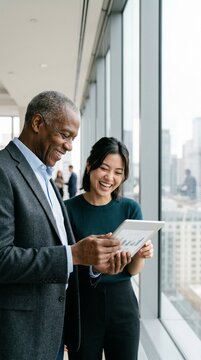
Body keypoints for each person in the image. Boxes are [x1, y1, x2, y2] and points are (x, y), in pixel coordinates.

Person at [0, 92, 121, 360]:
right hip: (19, 339)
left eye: (73, 139)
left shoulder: (46, 177)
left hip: (52, 335)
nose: (69, 147)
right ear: (37, 123)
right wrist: (74, 254)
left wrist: (90, 264)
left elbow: (56, 250)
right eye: (65, 135)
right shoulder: (3, 170)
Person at [64, 137, 154, 360]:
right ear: (89, 165)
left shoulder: (130, 209)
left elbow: (132, 271)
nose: (109, 177)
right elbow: (66, 265)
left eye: (118, 172)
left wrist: (141, 253)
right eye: (104, 168)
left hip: (123, 305)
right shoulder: (67, 210)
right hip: (83, 306)